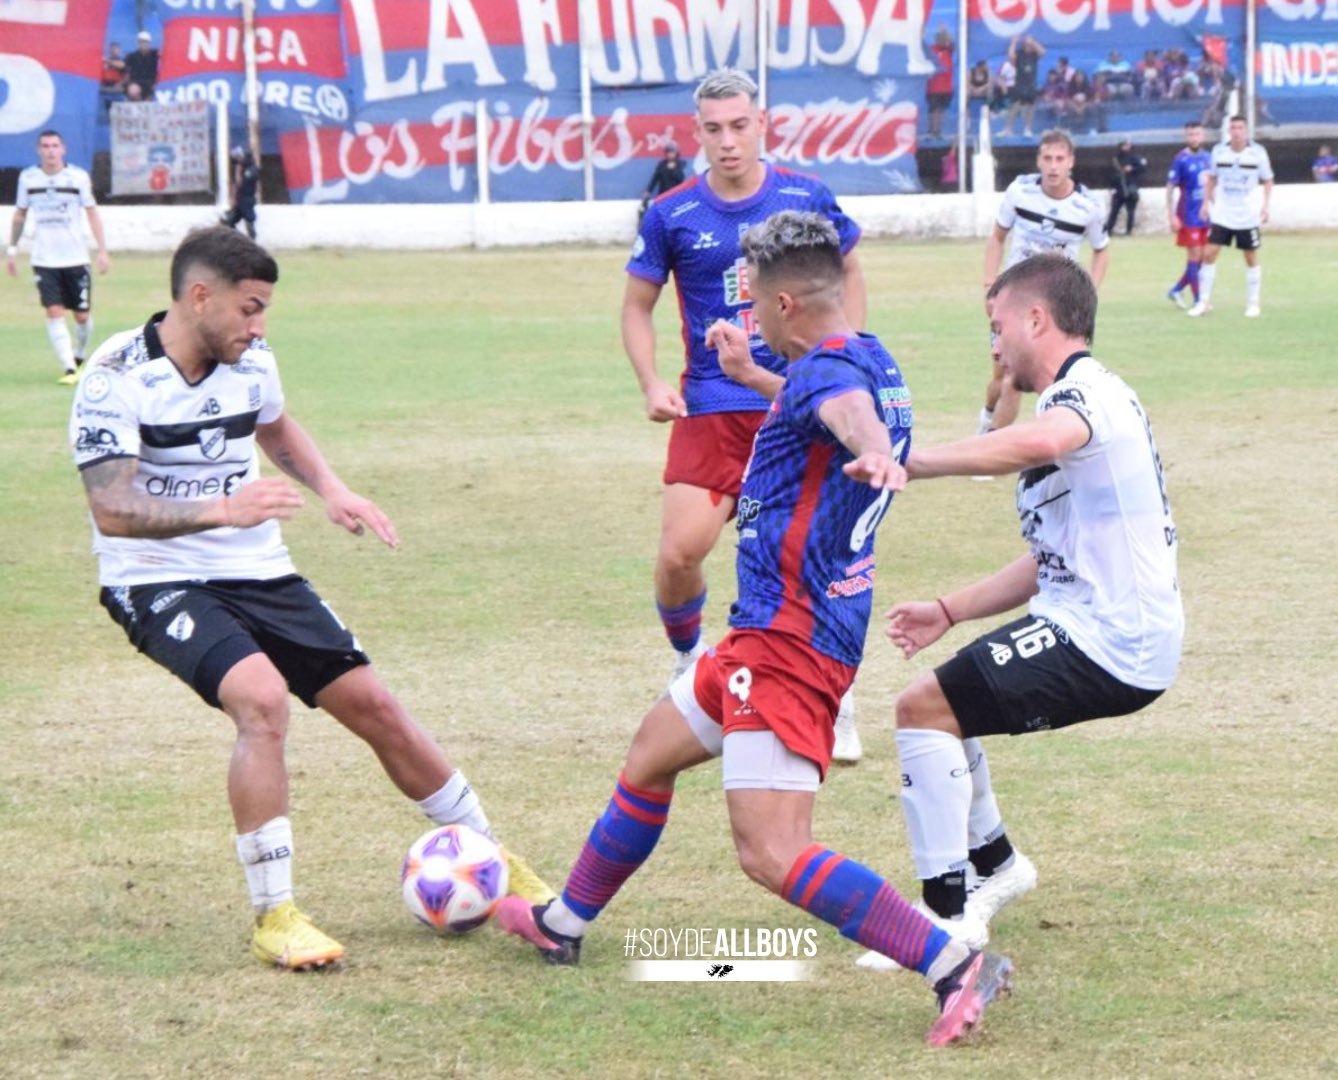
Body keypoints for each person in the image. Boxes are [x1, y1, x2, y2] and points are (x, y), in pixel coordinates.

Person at [495, 210, 1014, 1047]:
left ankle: (952, 964)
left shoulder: (838, 388)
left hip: (789, 644)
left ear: (782, 305)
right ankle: (563, 921)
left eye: (751, 304)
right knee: (651, 755)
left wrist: (874, 449)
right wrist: (757, 377)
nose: (745, 315)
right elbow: (828, 402)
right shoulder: (867, 358)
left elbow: (848, 419)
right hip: (764, 633)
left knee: (771, 852)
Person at [68, 226, 554, 971]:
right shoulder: (115, 375)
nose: (259, 328)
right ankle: (276, 915)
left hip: (259, 568)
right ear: (200, 297)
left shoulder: (250, 358)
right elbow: (112, 507)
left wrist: (332, 489)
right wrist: (221, 511)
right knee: (262, 700)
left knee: (376, 707)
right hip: (152, 576)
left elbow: (273, 425)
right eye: (249, 309)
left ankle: (493, 856)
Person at [854, 254, 1182, 970]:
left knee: (922, 709)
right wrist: (949, 608)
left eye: (998, 327)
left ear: (1037, 319)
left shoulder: (1088, 394)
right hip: (1093, 626)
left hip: (1114, 641)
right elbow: (1051, 562)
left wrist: (909, 458)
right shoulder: (1065, 405)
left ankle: (945, 921)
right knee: (943, 706)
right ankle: (996, 865)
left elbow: (1035, 443)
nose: (995, 345)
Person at [621, 68, 868, 760]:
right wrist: (649, 384)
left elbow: (850, 269)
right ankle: (687, 657)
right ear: (696, 132)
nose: (727, 142)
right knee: (679, 555)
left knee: (814, 555)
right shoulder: (671, 213)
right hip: (711, 407)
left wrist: (839, 361)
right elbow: (636, 305)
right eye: (713, 129)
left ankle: (838, 694)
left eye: (739, 126)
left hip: (793, 404)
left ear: (762, 123)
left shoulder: (804, 197)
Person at [977, 129, 1108, 437]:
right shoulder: (1020, 193)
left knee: (1045, 377)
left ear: (1071, 162)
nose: (1053, 166)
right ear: (1038, 160)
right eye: (1047, 158)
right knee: (1002, 375)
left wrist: (1090, 289)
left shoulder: (1087, 207)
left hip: (1057, 304)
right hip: (1014, 300)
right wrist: (989, 284)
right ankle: (987, 420)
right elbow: (997, 237)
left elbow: (1101, 251)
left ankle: (997, 444)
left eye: (1059, 159)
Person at [7, 129, 110, 386]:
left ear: (63, 149)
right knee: (53, 312)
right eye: (45, 146)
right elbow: (20, 215)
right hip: (44, 259)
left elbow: (92, 212)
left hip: (76, 258)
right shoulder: (29, 178)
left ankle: (79, 355)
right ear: (38, 150)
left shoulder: (77, 177)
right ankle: (68, 368)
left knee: (82, 316)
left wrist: (102, 250)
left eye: (54, 146)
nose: (50, 151)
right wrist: (12, 249)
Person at [1189, 115, 1273, 319]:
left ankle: (1253, 303)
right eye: (1233, 128)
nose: (1236, 131)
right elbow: (1212, 178)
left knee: (1250, 256)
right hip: (1223, 213)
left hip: (1247, 214)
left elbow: (1268, 180)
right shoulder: (1219, 151)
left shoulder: (1258, 153)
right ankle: (1203, 301)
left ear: (1246, 130)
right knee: (1209, 254)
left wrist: (1265, 207)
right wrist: (1205, 204)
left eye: (1240, 128)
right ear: (1229, 131)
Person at [1164, 120, 1212, 309]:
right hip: (1188, 215)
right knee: (1195, 256)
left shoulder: (1209, 158)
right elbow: (1170, 187)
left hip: (1206, 215)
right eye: (1190, 134)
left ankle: (1176, 290)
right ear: (1186, 137)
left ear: (1203, 135)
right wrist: (1171, 215)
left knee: (1202, 258)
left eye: (1197, 134)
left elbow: (1212, 186)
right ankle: (1199, 299)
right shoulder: (1180, 159)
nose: (1194, 138)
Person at [1001, 36, 1044, 138]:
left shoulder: (1034, 55)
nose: (1028, 46)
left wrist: (1032, 41)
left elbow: (1042, 52)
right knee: (1014, 107)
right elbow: (1011, 56)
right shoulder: (1020, 54)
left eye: (1029, 45)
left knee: (1030, 108)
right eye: (1027, 45)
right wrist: (1014, 42)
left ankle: (1028, 129)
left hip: (1031, 85)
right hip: (1020, 85)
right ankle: (1008, 129)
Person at [1104, 139, 1146, 235]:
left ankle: (1129, 231)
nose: (1125, 147)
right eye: (1123, 145)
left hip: (1131, 188)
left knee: (1130, 212)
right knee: (1114, 211)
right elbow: (1112, 173)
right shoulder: (1116, 158)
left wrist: (1132, 168)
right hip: (1119, 189)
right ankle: (1108, 231)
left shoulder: (1135, 157)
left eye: (1127, 145)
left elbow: (1142, 168)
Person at [221, 145, 260, 239]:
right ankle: (237, 239)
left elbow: (243, 182)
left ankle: (251, 242)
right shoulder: (240, 167)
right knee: (227, 221)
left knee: (249, 222)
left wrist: (240, 173)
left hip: (247, 200)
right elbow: (237, 185)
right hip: (239, 201)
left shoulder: (251, 168)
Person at [925, 26, 956, 140]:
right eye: (942, 38)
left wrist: (945, 31)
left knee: (942, 109)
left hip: (947, 87)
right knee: (933, 109)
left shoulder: (948, 50)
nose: (944, 41)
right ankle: (931, 130)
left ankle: (938, 131)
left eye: (945, 39)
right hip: (933, 87)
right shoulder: (932, 50)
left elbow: (953, 43)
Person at [641, 142, 687, 215]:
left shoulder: (680, 164)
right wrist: (648, 191)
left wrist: (673, 170)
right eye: (669, 152)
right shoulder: (661, 164)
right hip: (663, 194)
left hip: (675, 196)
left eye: (672, 152)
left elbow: (681, 179)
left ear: (676, 153)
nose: (670, 154)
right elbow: (655, 179)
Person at [124, 30, 159, 100]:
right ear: (138, 43)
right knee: (133, 90)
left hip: (152, 82)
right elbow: (123, 64)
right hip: (137, 82)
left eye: (145, 42)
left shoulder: (155, 54)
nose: (143, 44)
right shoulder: (132, 56)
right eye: (141, 42)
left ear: (149, 43)